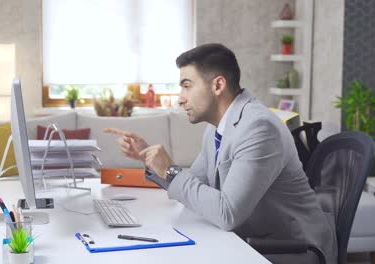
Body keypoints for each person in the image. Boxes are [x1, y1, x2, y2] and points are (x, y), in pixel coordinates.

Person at [104, 43, 336, 264]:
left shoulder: (259, 128)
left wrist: (170, 170)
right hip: (253, 239)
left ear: (217, 85)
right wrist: (150, 159)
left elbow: (227, 213)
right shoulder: (218, 127)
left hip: (293, 250)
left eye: (187, 85)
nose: (180, 97)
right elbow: (194, 185)